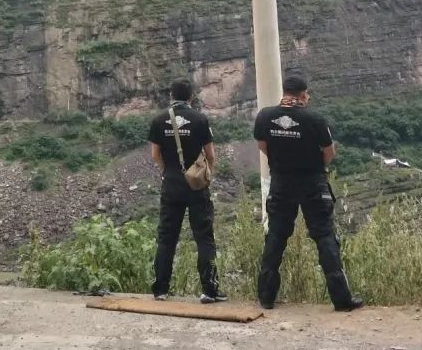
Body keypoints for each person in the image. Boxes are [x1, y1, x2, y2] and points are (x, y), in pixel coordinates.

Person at [254, 71, 363, 312]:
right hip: (313, 183)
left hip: (281, 183)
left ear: (285, 93)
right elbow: (329, 152)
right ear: (304, 95)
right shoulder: (315, 119)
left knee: (275, 237)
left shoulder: (265, 116)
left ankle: (266, 297)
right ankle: (341, 300)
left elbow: (263, 146)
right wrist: (312, 167)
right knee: (324, 237)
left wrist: (282, 163)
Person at [147, 80, 227, 304]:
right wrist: (205, 173)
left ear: (171, 95)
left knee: (166, 237)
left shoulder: (158, 119)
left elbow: (155, 154)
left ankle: (161, 290)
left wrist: (168, 171)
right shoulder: (200, 119)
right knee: (203, 236)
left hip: (171, 183)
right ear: (191, 96)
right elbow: (210, 154)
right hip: (196, 185)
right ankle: (209, 291)